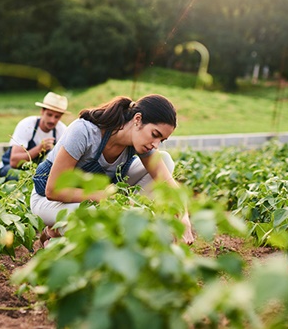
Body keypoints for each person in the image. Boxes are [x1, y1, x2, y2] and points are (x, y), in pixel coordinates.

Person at [31, 94, 194, 245]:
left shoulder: (143, 143)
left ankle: (130, 223)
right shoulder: (85, 132)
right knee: (96, 217)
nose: (155, 144)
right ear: (138, 119)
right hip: (49, 200)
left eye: (162, 139)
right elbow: (52, 191)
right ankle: (53, 236)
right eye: (155, 134)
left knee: (164, 159)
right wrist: (108, 198)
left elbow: (169, 184)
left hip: (94, 198)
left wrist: (184, 216)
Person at [0, 92, 69, 180]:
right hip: (10, 167)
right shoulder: (27, 125)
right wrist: (39, 149)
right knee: (23, 178)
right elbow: (14, 162)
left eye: (57, 117)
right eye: (49, 115)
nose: (52, 120)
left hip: (33, 171)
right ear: (42, 111)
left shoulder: (61, 130)